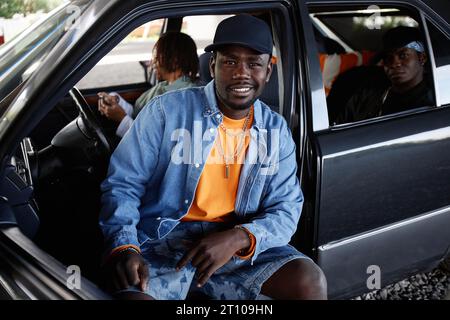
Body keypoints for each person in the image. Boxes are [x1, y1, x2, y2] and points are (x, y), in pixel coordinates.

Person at [99, 14, 327, 300]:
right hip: (162, 238)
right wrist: (125, 246)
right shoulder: (166, 111)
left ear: (268, 72)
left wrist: (240, 237)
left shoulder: (275, 130)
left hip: (234, 241)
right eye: (230, 61)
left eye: (254, 63)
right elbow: (123, 184)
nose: (241, 73)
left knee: (308, 280)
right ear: (212, 65)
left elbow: (287, 207)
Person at [97, 31, 199, 137]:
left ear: (175, 60)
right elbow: (138, 115)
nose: (152, 63)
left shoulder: (185, 98)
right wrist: (117, 101)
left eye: (156, 57)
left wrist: (122, 118)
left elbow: (154, 140)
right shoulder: (163, 87)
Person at [334, 26, 434, 124]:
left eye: (403, 55)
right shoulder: (368, 92)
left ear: (422, 58)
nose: (394, 64)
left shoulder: (433, 103)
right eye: (388, 58)